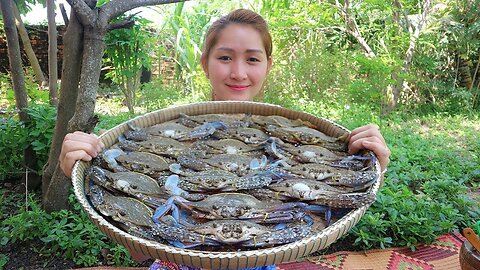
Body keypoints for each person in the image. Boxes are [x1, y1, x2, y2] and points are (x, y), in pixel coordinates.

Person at [59, 8, 390, 270]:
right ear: (205, 64)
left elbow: (316, 216)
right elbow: (142, 244)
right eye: (225, 57)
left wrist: (365, 166)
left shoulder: (282, 152)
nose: (238, 72)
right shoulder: (173, 147)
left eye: (252, 58)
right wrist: (86, 169)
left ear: (268, 66)